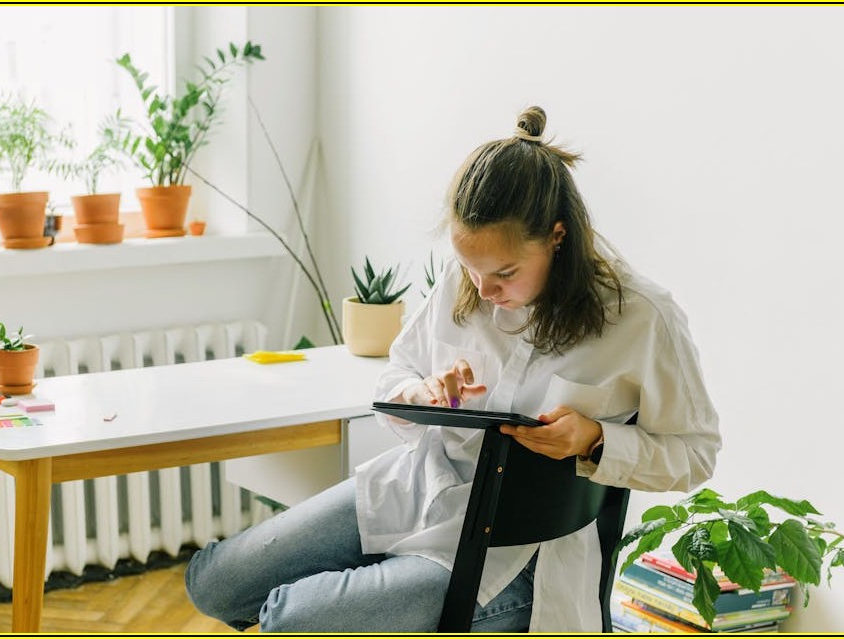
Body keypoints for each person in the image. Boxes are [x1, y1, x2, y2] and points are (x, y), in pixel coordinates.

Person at [185, 106, 721, 632]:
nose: (484, 291)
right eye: (470, 267)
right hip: (418, 491)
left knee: (291, 618)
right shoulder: (463, 282)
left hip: (515, 554)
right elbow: (398, 372)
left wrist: (595, 440)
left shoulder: (641, 317)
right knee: (213, 584)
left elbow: (696, 453)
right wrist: (423, 394)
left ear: (558, 237)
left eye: (505, 273)